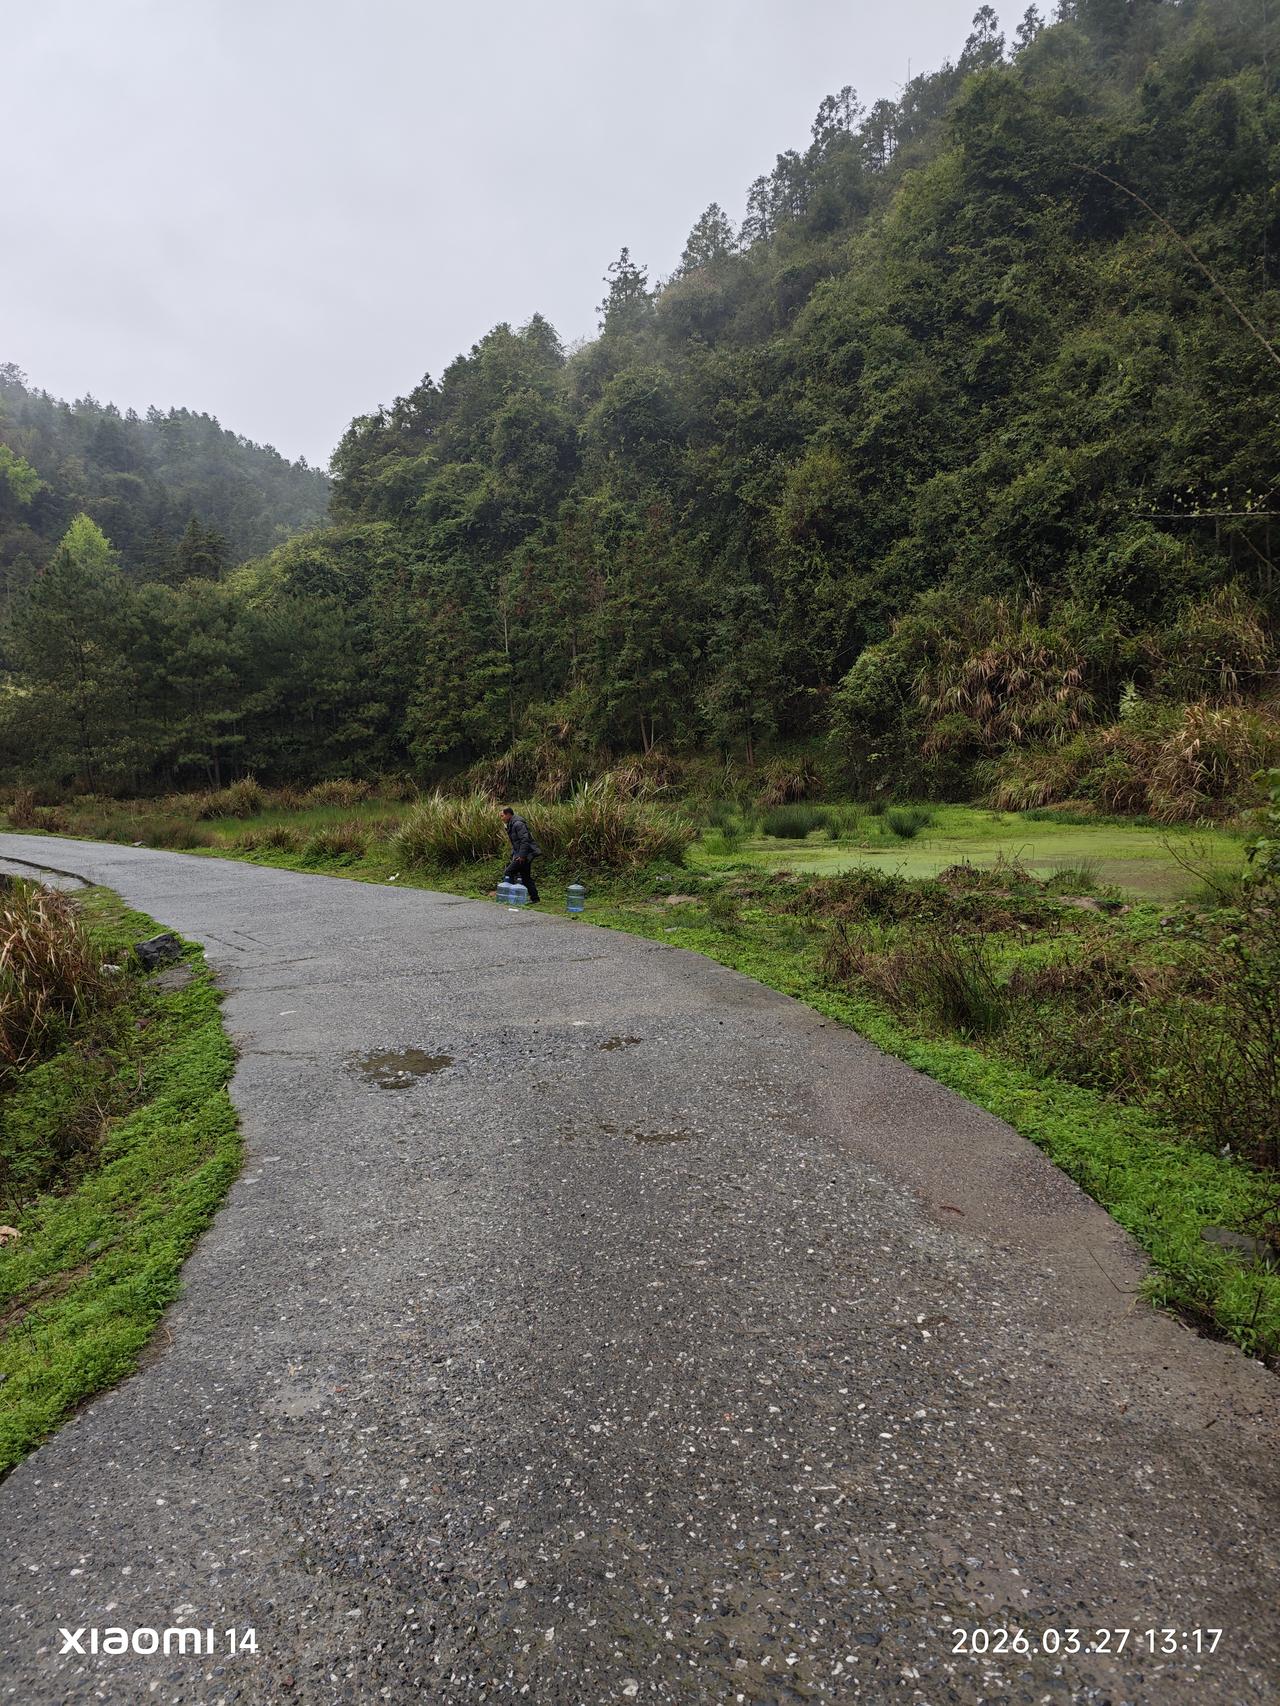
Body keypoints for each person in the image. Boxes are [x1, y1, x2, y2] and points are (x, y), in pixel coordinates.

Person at [501, 806, 541, 903]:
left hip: (525, 855)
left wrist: (522, 855)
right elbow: (516, 843)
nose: (501, 818)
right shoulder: (511, 824)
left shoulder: (518, 824)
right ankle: (535, 898)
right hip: (521, 854)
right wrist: (514, 854)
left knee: (508, 872)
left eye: (502, 816)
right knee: (526, 877)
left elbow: (524, 840)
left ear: (508, 814)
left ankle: (510, 896)